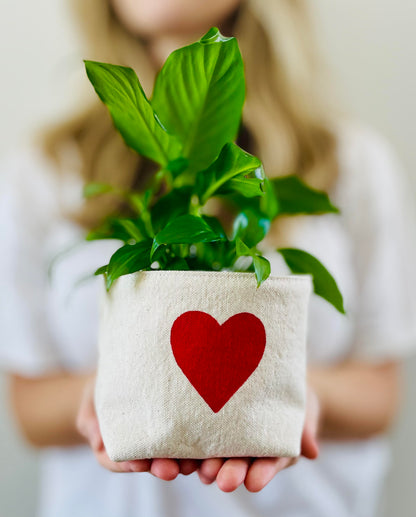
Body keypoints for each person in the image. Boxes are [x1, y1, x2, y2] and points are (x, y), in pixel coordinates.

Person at [1, 0, 416, 516]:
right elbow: (29, 406)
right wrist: (118, 389)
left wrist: (285, 395)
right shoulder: (44, 170)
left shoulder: (351, 163)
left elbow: (379, 393)